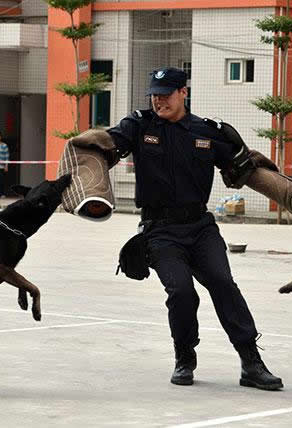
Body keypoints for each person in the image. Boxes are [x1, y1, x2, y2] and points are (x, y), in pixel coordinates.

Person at [107, 67, 282, 390]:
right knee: (182, 292)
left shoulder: (207, 131)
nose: (158, 101)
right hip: (160, 230)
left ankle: (251, 363)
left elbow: (243, 165)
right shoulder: (139, 126)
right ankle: (184, 357)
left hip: (200, 227)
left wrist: (283, 185)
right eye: (154, 95)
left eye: (165, 95)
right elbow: (107, 144)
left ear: (183, 93)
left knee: (223, 284)